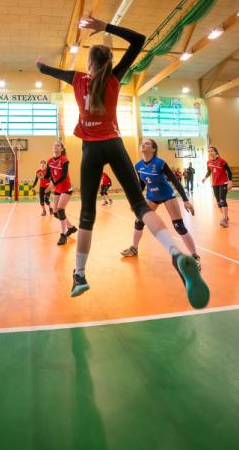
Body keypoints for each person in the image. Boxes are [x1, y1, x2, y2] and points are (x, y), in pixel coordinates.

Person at [36, 16, 209, 309]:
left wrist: (41, 65)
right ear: (108, 63)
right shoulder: (114, 78)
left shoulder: (77, 79)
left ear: (89, 64)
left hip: (91, 150)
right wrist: (105, 27)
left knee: (88, 213)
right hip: (114, 144)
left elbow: (45, 69)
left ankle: (79, 275)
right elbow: (139, 41)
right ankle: (175, 253)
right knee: (140, 205)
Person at [120, 139, 201, 269]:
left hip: (167, 195)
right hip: (152, 197)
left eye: (147, 143)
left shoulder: (160, 163)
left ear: (153, 149)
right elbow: (141, 184)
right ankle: (134, 248)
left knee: (179, 226)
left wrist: (185, 200)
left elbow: (175, 181)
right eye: (142, 143)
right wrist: (136, 202)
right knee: (139, 221)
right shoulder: (138, 166)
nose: (143, 144)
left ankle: (195, 256)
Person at [45, 140, 77, 245]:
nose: (55, 147)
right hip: (58, 188)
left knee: (60, 210)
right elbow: (48, 175)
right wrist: (42, 175)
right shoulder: (49, 161)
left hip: (66, 188)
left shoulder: (64, 160)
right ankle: (71, 227)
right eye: (54, 145)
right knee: (55, 213)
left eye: (58, 146)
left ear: (61, 149)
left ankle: (63, 235)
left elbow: (63, 176)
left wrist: (53, 184)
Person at [202, 146, 233, 227]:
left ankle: (224, 219)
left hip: (223, 182)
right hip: (215, 184)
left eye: (212, 151)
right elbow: (209, 171)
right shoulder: (208, 162)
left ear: (216, 152)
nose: (210, 152)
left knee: (222, 199)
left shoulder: (222, 161)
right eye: (209, 151)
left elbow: (229, 171)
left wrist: (230, 181)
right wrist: (205, 177)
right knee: (218, 202)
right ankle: (225, 216)